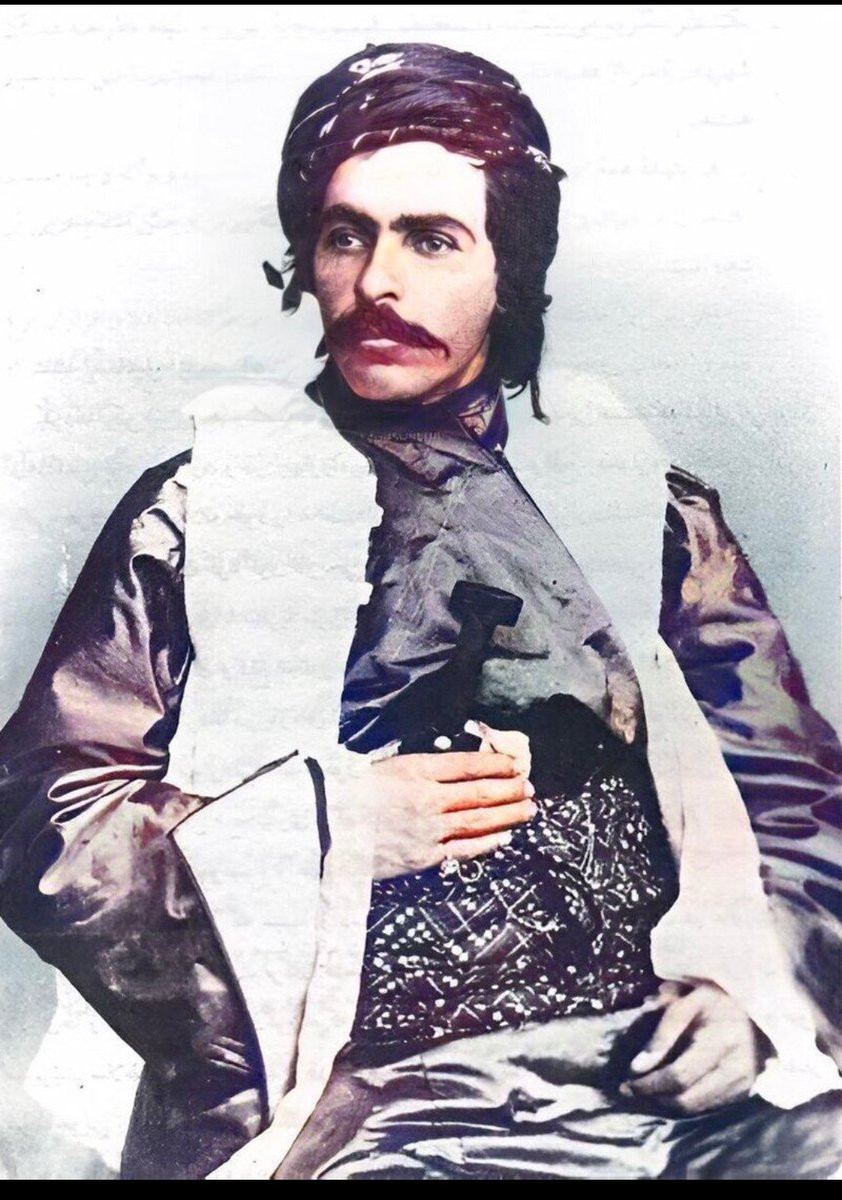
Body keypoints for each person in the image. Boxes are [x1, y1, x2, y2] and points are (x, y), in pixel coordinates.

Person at [0, 42, 840, 1181]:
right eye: (346, 235)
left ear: (509, 268)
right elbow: (45, 830)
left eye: (431, 239)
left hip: (647, 1081)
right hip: (346, 1101)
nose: (377, 282)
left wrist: (748, 997)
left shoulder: (646, 507)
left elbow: (797, 801)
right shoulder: (196, 515)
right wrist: (325, 833)